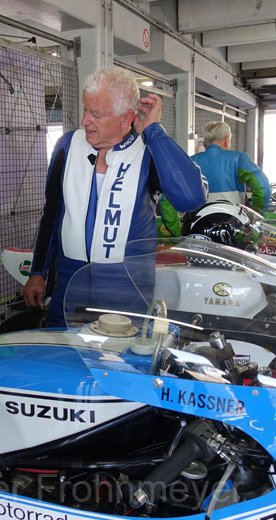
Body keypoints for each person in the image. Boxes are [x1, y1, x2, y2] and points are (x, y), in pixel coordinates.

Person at [21, 66, 207, 326]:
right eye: (85, 109)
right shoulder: (66, 145)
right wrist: (38, 272)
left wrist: (153, 131)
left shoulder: (147, 150)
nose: (85, 120)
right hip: (69, 288)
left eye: (96, 114)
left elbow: (191, 198)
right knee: (66, 360)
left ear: (125, 118)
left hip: (126, 293)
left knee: (118, 363)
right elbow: (52, 214)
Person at [191, 121, 270, 210]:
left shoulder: (191, 161)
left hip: (198, 220)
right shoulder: (239, 158)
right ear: (226, 140)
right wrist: (256, 212)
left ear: (204, 144)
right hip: (232, 219)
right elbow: (263, 188)